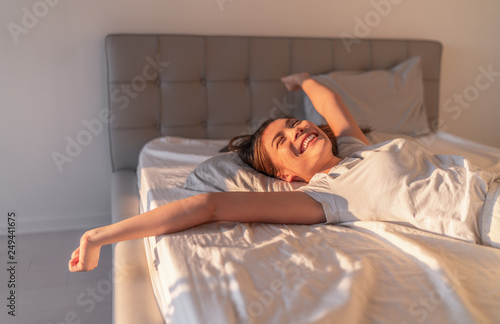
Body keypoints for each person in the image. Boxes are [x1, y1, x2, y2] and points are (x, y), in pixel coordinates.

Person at [69, 73, 500, 272]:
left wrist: (302, 80)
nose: (299, 131)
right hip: (488, 216)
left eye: (295, 124)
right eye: (284, 142)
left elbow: (330, 104)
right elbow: (210, 204)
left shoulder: (353, 149)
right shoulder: (326, 196)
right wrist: (98, 237)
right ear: (288, 176)